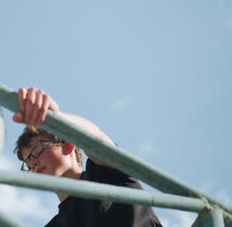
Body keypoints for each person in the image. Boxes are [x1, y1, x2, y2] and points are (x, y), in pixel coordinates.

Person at [12, 87, 163, 227]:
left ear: (68, 144)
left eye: (38, 149)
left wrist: (56, 119)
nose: (32, 163)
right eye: (27, 161)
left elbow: (94, 137)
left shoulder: (106, 177)